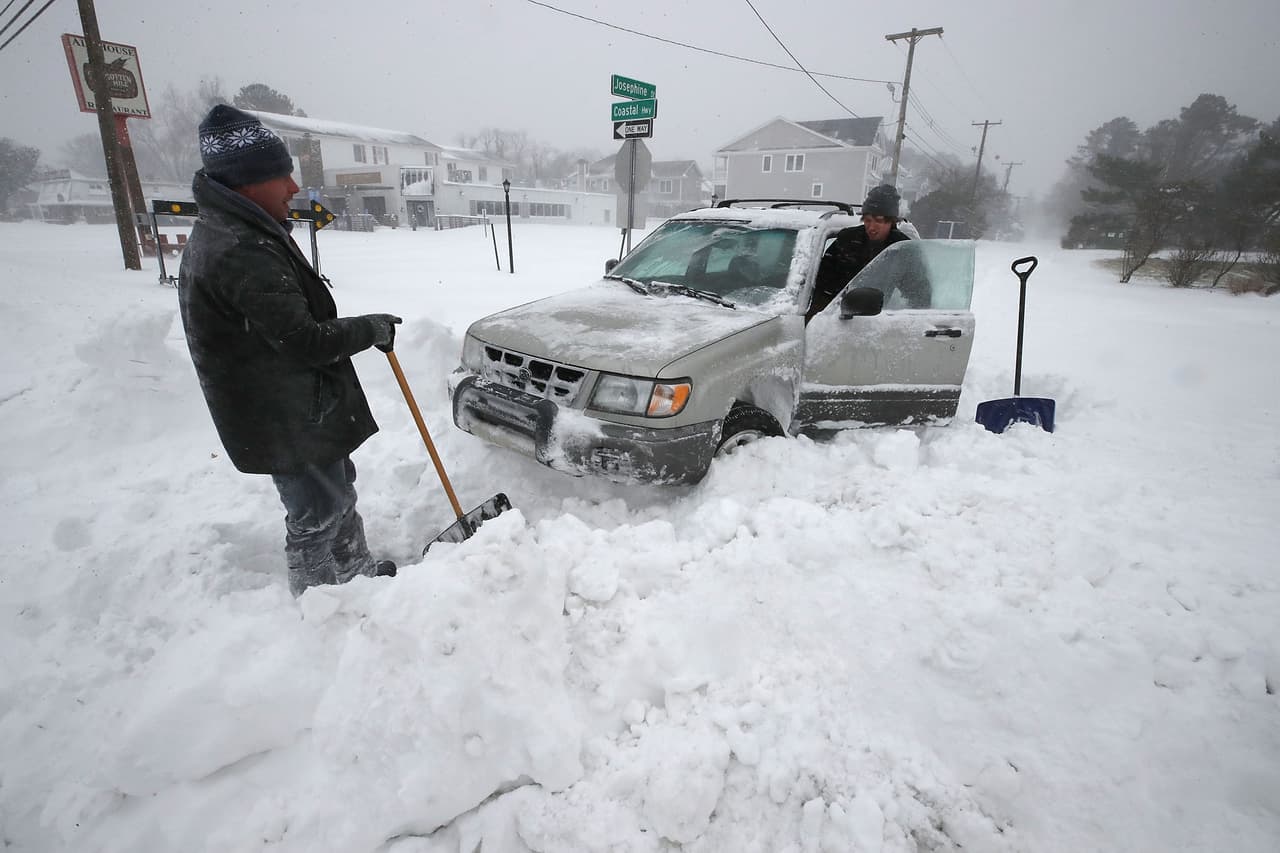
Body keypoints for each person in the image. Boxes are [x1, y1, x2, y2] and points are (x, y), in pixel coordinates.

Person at [178, 104, 402, 597]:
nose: (294, 188)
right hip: (283, 411)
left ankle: (355, 576)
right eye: (283, 176)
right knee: (317, 510)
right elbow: (304, 341)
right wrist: (370, 328)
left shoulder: (241, 231)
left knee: (336, 491)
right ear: (247, 183)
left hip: (295, 403)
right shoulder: (240, 248)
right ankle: (319, 601)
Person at [807, 184, 913, 322]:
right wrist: (818, 319)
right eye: (868, 220)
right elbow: (822, 287)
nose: (871, 227)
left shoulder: (902, 249)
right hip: (837, 320)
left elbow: (918, 296)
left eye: (878, 221)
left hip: (882, 322)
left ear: (891, 221)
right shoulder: (846, 240)